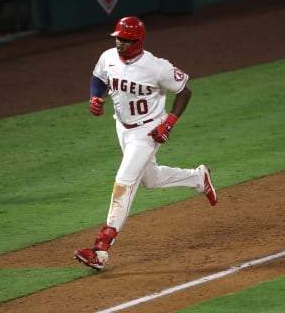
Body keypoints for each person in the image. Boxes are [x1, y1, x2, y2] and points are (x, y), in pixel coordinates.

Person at [74, 16, 217, 270]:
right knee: (149, 178)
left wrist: (169, 123)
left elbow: (184, 91)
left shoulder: (156, 67)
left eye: (126, 40)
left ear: (138, 41)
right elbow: (99, 77)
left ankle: (101, 249)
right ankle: (198, 178)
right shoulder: (108, 57)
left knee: (124, 182)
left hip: (148, 132)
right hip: (122, 128)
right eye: (118, 38)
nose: (120, 44)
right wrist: (94, 97)